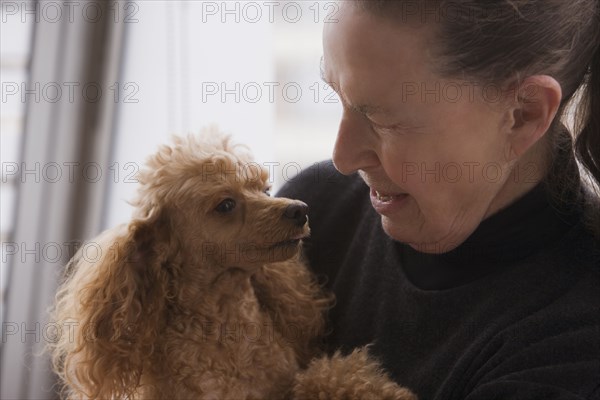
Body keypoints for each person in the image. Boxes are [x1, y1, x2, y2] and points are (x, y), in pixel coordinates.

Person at [277, 1, 600, 398]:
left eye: (384, 120)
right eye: (337, 96)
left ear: (524, 114)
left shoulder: (575, 345)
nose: (343, 158)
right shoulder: (314, 212)